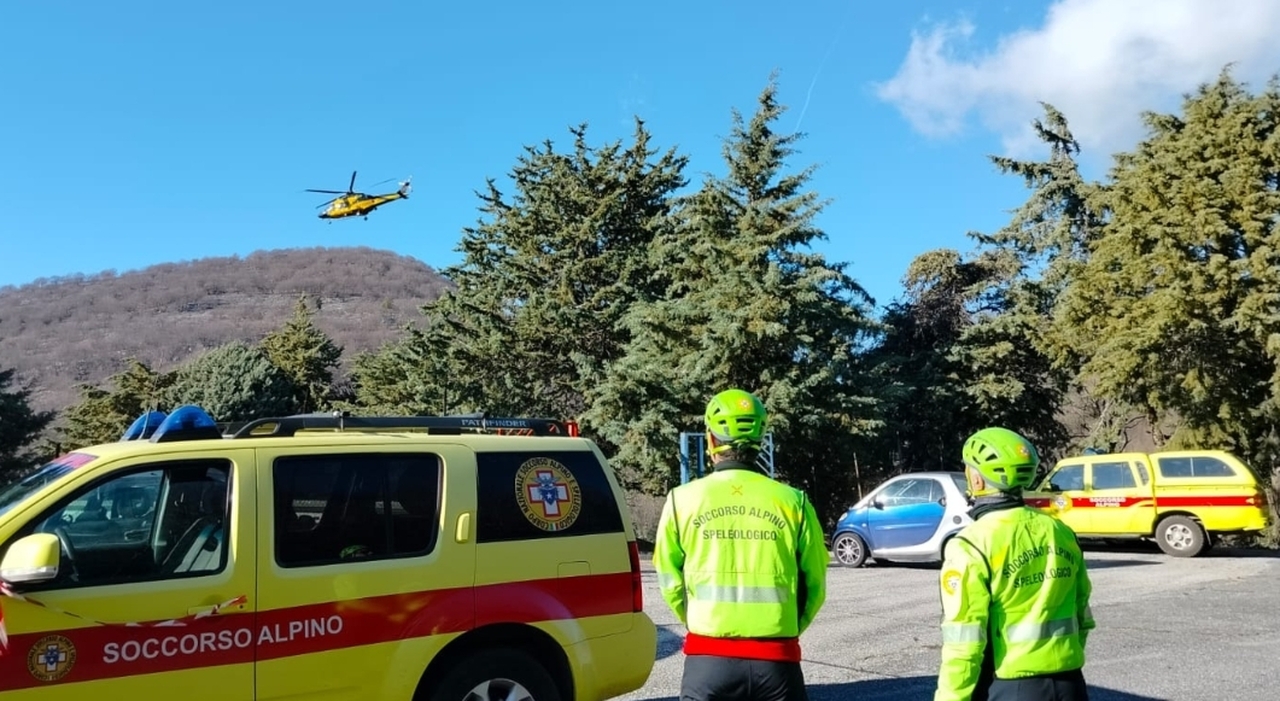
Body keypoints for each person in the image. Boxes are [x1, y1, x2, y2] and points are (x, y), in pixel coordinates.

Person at [653, 388, 828, 701]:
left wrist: (697, 617)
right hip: (778, 661)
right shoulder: (794, 502)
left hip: (707, 661)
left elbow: (669, 580)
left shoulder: (682, 501)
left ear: (710, 440)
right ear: (760, 441)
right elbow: (814, 585)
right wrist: (786, 626)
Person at [935, 427, 1096, 701]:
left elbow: (964, 640)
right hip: (1070, 683)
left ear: (977, 479)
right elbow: (1082, 614)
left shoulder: (971, 545)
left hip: (1012, 686)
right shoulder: (1060, 531)